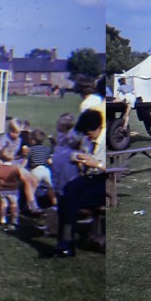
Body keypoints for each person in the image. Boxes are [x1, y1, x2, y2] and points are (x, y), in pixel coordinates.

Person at [53, 109, 107, 258]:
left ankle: (66, 242)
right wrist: (78, 157)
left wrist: (98, 165)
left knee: (71, 200)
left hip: (104, 180)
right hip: (89, 178)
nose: (87, 136)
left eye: (90, 133)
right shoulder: (88, 139)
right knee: (66, 193)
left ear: (99, 128)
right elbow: (70, 151)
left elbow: (117, 168)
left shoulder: (106, 141)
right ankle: (64, 241)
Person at [0, 147, 23, 232]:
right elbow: (19, 178)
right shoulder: (15, 168)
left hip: (2, 189)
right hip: (13, 189)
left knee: (3, 204)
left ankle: (3, 218)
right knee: (14, 205)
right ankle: (14, 220)